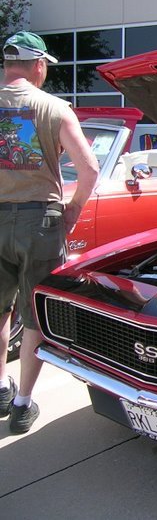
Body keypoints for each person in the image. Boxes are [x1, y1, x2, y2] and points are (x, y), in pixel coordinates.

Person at [0, 31, 99, 433]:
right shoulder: (54, 108)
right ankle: (22, 404)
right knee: (34, 315)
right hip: (38, 222)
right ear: (39, 65)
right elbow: (89, 169)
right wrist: (73, 210)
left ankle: (0, 389)